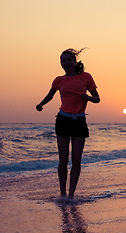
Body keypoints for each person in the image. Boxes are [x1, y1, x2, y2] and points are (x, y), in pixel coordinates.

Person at [36, 48, 100, 199]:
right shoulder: (59, 80)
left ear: (74, 62)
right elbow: (50, 96)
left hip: (79, 120)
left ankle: (71, 194)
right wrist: (40, 105)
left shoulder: (86, 77)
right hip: (63, 120)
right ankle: (62, 193)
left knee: (76, 160)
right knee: (63, 160)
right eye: (63, 61)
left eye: (69, 60)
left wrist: (88, 98)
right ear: (61, 63)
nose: (66, 63)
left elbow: (97, 98)